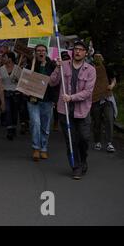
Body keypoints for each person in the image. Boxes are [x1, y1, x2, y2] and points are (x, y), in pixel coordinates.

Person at [49, 40, 96, 180]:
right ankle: (76, 167)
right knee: (71, 140)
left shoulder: (90, 70)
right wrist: (57, 68)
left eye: (81, 49)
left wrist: (71, 97)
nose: (78, 51)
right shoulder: (63, 66)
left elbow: (88, 92)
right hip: (65, 112)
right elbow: (52, 82)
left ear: (85, 53)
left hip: (82, 111)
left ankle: (83, 159)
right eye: (76, 49)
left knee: (84, 138)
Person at [26, 44, 58, 161]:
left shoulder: (52, 65)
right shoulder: (30, 65)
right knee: (35, 123)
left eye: (43, 51)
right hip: (33, 100)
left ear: (46, 52)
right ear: (35, 53)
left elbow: (55, 82)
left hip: (47, 100)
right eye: (38, 51)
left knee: (45, 126)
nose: (41, 52)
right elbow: (24, 80)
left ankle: (44, 148)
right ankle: (36, 148)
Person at [91, 53, 117, 153]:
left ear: (103, 58)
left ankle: (109, 143)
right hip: (95, 98)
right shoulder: (90, 68)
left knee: (109, 119)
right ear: (93, 58)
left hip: (107, 97)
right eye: (96, 57)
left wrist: (112, 85)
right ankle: (97, 141)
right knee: (96, 121)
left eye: (99, 56)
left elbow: (113, 79)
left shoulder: (107, 68)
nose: (98, 58)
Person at [0, 52, 22, 140]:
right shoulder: (1, 69)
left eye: (4, 57)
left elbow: (22, 81)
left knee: (14, 112)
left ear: (10, 59)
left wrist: (17, 79)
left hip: (16, 93)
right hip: (5, 92)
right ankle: (9, 130)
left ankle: (14, 127)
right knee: (7, 110)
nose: (3, 59)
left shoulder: (18, 68)